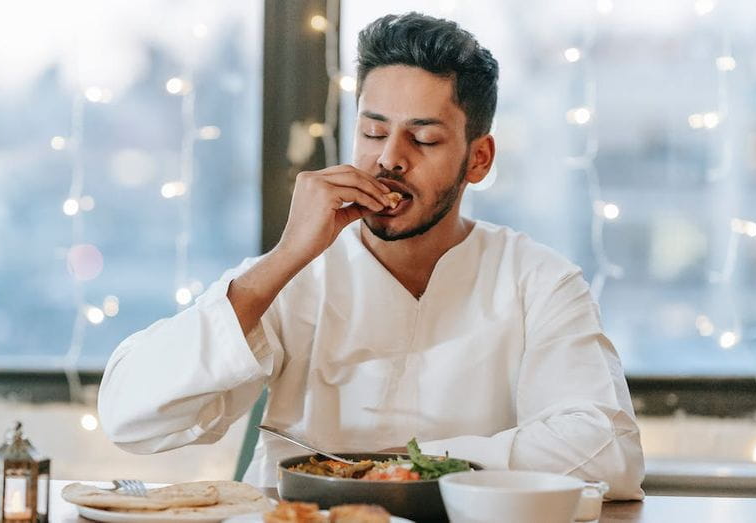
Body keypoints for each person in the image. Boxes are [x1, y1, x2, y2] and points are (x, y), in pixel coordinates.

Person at [98, 12, 645, 499]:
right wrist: (285, 257)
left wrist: (410, 470)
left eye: (423, 140)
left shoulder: (538, 279)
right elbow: (131, 420)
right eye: (372, 131)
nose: (389, 159)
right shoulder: (297, 272)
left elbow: (609, 454)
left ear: (478, 159)